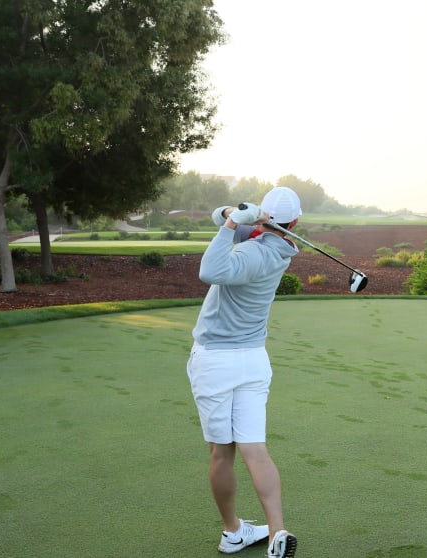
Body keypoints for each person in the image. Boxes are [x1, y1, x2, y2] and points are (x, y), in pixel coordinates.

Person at [187, 187, 301, 557]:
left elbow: (209, 270)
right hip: (253, 359)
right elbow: (216, 214)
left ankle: (232, 531)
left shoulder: (253, 252)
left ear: (265, 216)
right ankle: (277, 531)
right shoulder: (279, 247)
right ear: (295, 222)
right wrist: (233, 215)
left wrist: (233, 221)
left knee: (222, 453)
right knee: (255, 448)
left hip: (216, 361)